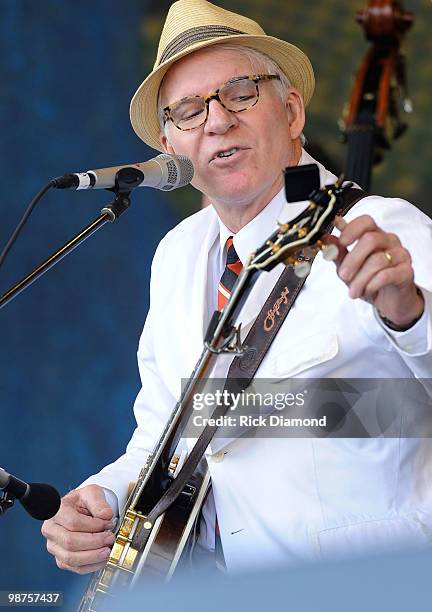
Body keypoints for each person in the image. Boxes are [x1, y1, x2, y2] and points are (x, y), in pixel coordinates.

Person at [42, 0, 432, 575]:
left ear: (292, 111)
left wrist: (411, 314)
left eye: (242, 92)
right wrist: (102, 499)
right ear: (171, 148)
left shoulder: (387, 227)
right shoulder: (175, 255)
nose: (218, 121)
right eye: (190, 110)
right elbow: (163, 428)